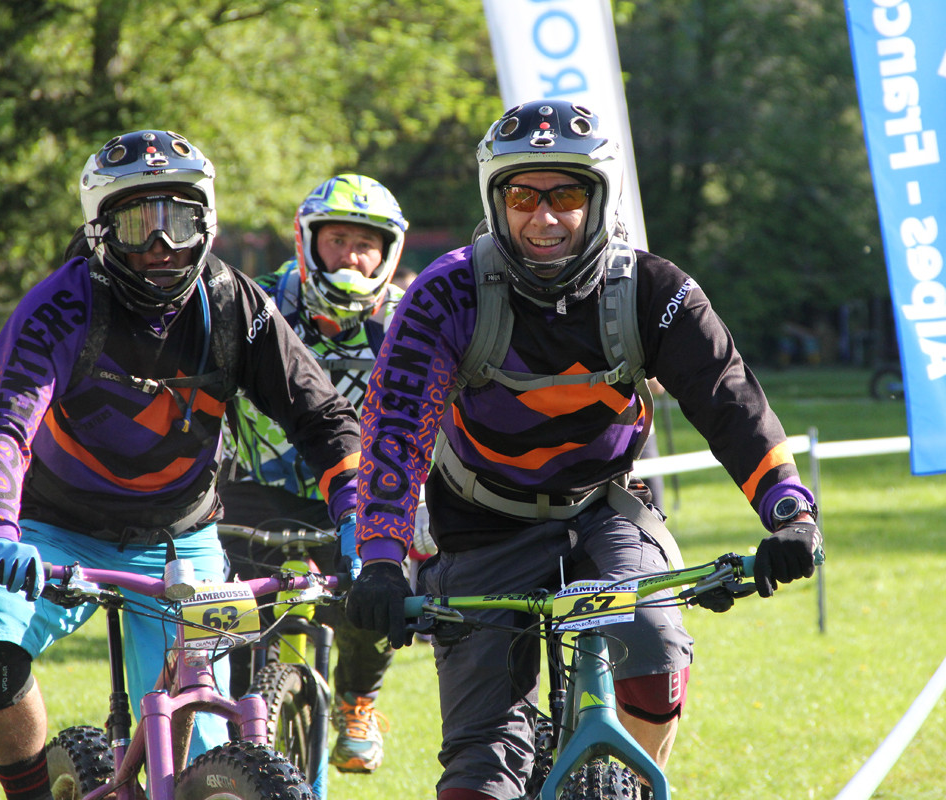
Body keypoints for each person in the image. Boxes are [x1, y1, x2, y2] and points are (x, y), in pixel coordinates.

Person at [344, 100, 822, 800]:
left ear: (600, 198)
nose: (544, 218)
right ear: (495, 200)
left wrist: (790, 513)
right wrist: (383, 560)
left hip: (606, 509)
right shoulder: (444, 295)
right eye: (522, 196)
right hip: (480, 522)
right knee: (480, 775)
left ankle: (624, 779)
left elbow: (732, 403)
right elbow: (393, 432)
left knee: (656, 650)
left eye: (566, 195)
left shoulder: (656, 291)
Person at [0, 130, 362, 800]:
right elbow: (0, 420)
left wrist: (359, 518)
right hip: (49, 531)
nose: (162, 246)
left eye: (180, 221)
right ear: (101, 229)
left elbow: (325, 419)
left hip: (182, 539)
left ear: (208, 223)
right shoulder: (61, 303)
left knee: (206, 763)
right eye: (140, 224)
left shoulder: (236, 306)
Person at [220, 173, 416, 774]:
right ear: (307, 242)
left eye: (366, 244)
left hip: (362, 496)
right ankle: (239, 723)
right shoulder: (258, 306)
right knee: (233, 627)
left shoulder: (410, 321)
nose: (352, 257)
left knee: (380, 597)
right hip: (255, 489)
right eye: (337, 240)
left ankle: (357, 702)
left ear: (389, 253)